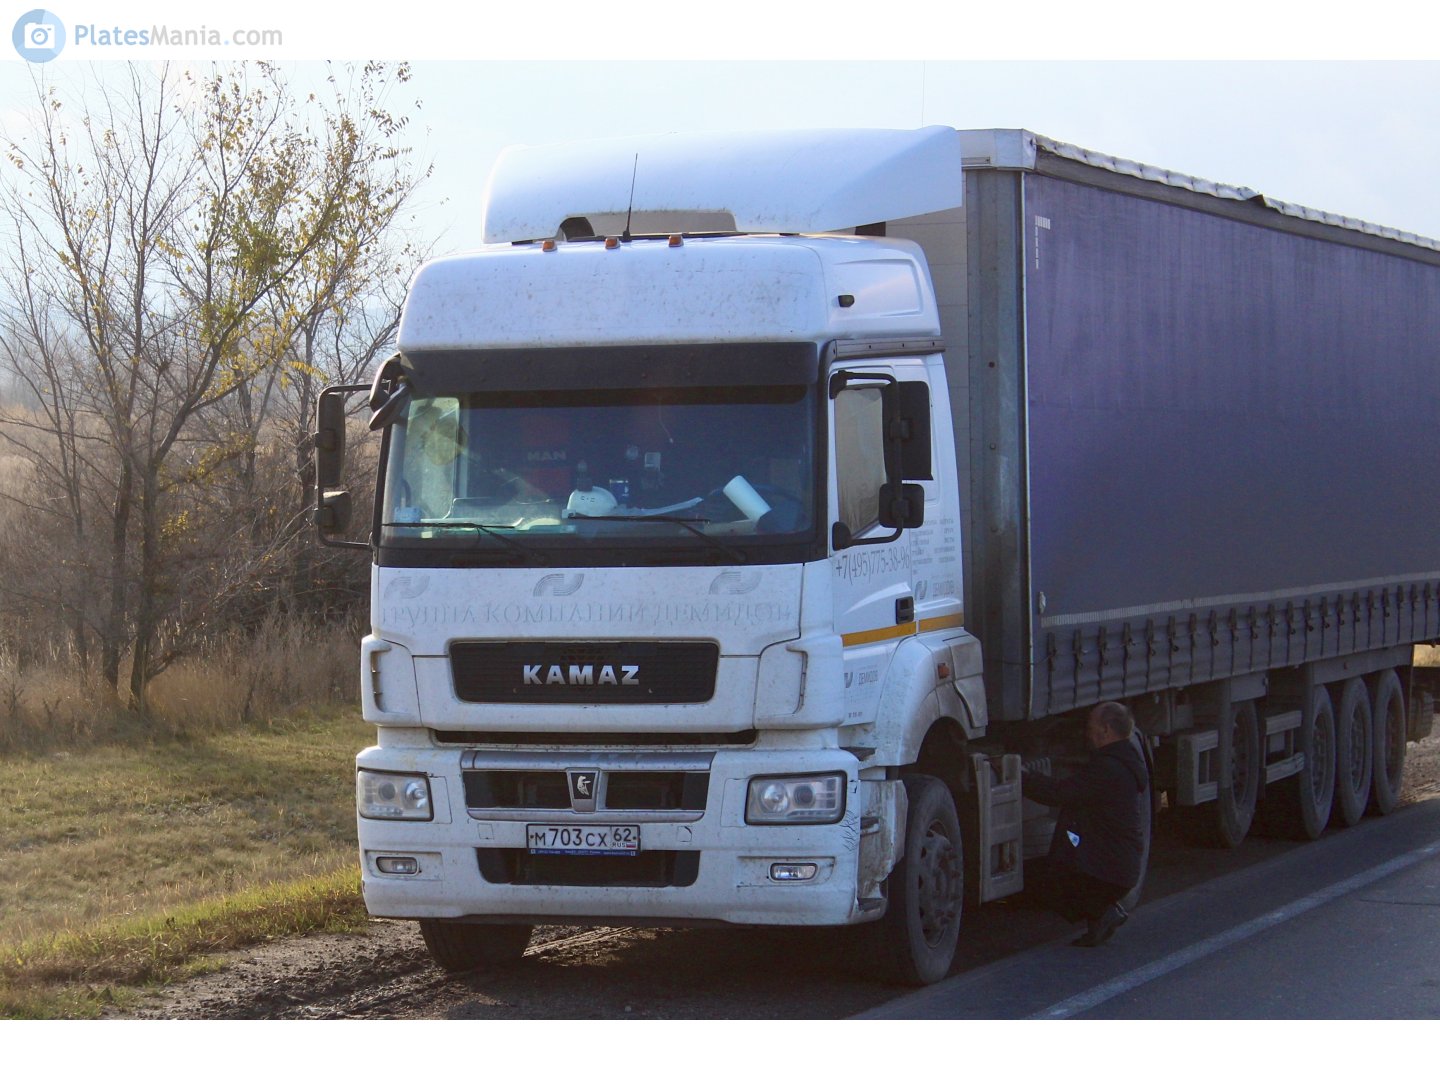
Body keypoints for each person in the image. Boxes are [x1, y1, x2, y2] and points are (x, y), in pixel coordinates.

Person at [1022, 700, 1149, 947]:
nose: (1086, 732)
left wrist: (1023, 777)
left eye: (1091, 726)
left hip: (1110, 868)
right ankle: (1102, 915)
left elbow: (1060, 793)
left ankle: (1104, 913)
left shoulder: (1108, 768)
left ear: (1106, 730)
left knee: (1046, 887)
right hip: (1120, 863)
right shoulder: (1124, 761)